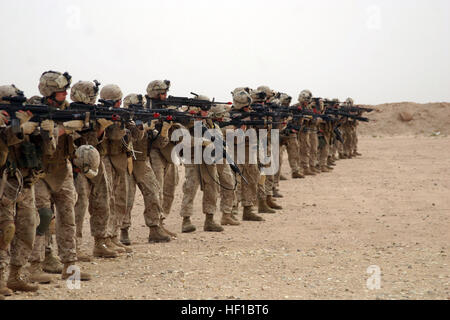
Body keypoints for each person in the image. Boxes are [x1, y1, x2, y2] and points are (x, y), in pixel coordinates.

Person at [122, 93, 173, 243]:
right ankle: (123, 231)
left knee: (154, 193)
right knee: (126, 198)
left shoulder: (145, 121)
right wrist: (141, 127)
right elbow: (127, 137)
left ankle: (155, 228)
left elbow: (160, 144)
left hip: (142, 162)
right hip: (127, 162)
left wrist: (163, 130)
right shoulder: (121, 122)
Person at [179, 95, 224, 233]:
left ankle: (209, 219)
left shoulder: (208, 122)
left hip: (208, 158)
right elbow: (181, 138)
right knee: (190, 187)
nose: (207, 112)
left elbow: (218, 135)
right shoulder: (185, 121)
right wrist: (201, 141)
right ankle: (186, 220)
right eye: (205, 109)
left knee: (212, 187)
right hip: (193, 157)